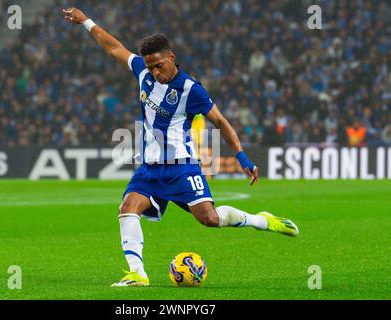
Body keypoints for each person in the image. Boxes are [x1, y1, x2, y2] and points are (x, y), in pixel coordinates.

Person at [63, 7, 299, 287]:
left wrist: (243, 158)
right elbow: (113, 47)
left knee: (210, 219)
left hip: (182, 168)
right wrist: (86, 21)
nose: (154, 71)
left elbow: (221, 122)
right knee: (127, 208)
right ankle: (137, 273)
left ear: (171, 57)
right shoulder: (144, 73)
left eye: (159, 65)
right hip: (150, 169)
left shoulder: (191, 90)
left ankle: (262, 220)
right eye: (150, 66)